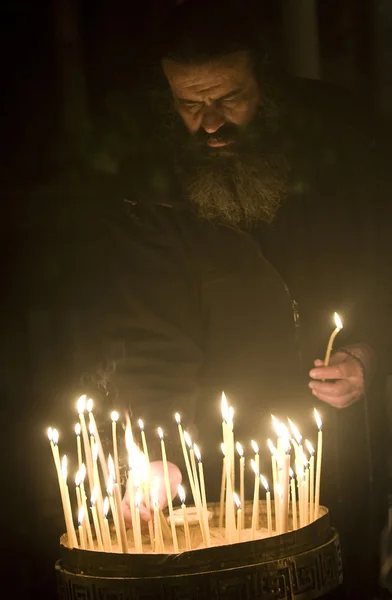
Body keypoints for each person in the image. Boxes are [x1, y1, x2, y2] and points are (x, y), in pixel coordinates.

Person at [61, 0, 390, 596]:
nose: (210, 124)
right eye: (190, 105)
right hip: (219, 461)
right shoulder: (151, 179)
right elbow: (145, 322)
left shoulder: (341, 139)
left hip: (334, 447)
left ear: (264, 75)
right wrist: (156, 444)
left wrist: (373, 354)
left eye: (229, 98)